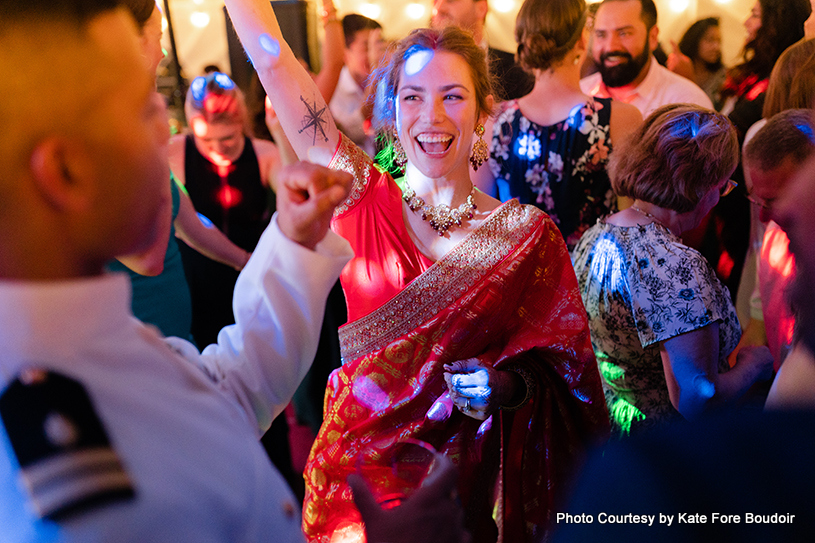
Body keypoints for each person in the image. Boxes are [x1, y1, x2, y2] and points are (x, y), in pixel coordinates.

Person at [0, 2, 472, 542]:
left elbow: (220, 394)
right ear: (67, 172)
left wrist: (292, 244)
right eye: (140, 107)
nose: (166, 125)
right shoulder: (59, 456)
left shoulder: (84, 341)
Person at [223, 1, 611, 541]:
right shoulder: (356, 194)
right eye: (413, 97)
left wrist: (503, 386)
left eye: (453, 96)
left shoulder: (525, 237)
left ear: (483, 112)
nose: (431, 117)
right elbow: (272, 62)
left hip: (455, 493)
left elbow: (565, 379)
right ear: (393, 111)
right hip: (353, 489)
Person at [571, 105, 774, 436]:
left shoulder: (596, 235)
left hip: (613, 431)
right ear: (699, 185)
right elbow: (697, 399)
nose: (717, 199)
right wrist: (754, 367)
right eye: (722, 186)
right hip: (667, 450)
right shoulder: (675, 265)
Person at [110, 0, 251, 342]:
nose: (162, 52)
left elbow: (188, 224)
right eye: (156, 37)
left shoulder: (138, 121)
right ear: (128, 41)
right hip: (136, 339)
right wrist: (156, 145)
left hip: (176, 336)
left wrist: (248, 261)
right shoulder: (109, 131)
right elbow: (147, 257)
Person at [474, 0, 641, 250]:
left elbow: (480, 223)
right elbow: (632, 223)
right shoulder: (622, 118)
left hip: (521, 277)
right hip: (591, 280)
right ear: (582, 40)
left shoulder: (494, 122)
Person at [168, 72, 282, 347]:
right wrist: (242, 259)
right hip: (197, 287)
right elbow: (185, 225)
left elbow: (296, 199)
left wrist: (280, 133)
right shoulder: (175, 153)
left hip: (254, 283)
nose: (218, 147)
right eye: (205, 140)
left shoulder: (264, 153)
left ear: (241, 122)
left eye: (228, 137)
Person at [741, 111, 815, 367]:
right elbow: (760, 324)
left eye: (774, 200)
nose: (763, 216)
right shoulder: (774, 239)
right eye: (757, 200)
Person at [579, 0, 712, 117]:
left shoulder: (686, 104)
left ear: (653, 37)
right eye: (601, 35)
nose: (610, 47)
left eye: (624, 33)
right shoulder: (580, 95)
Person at [430, 0, 533, 100]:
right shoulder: (420, 68)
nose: (439, 8)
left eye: (450, 0)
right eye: (435, 1)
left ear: (481, 8)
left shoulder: (519, 70)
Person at [329, 13, 381, 157]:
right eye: (366, 47)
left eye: (377, 46)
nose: (374, 55)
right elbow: (348, 135)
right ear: (345, 53)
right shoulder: (335, 89)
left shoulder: (386, 83)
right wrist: (376, 71)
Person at [676, 17, 726, 110]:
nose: (716, 47)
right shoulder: (678, 69)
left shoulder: (722, 76)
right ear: (694, 40)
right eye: (710, 40)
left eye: (719, 41)